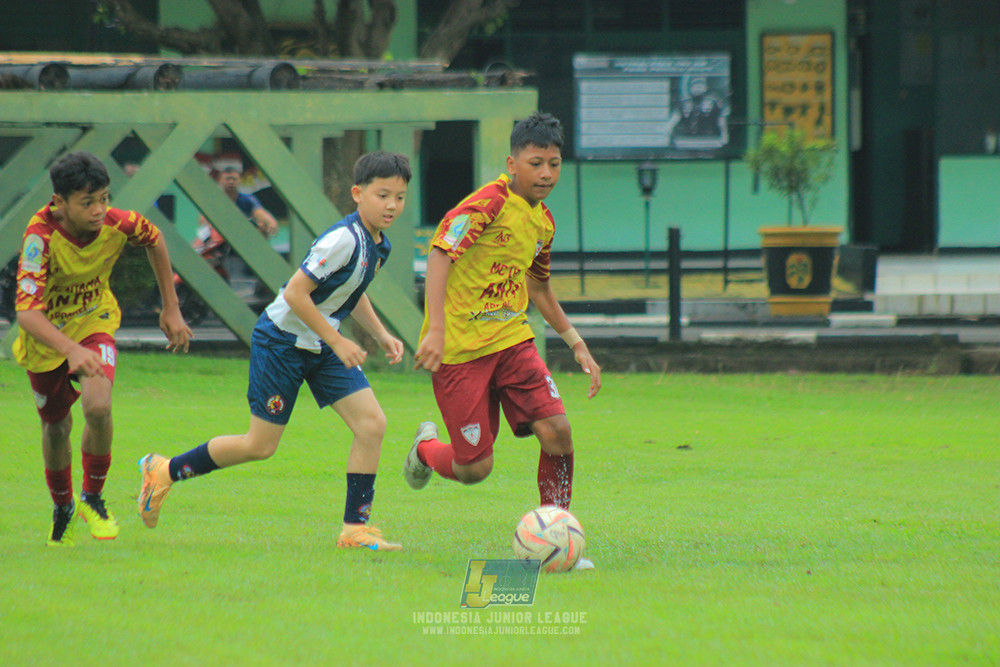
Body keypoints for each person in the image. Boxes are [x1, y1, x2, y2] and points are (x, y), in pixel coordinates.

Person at [137, 151, 410, 551]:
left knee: (372, 425)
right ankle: (163, 471)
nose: (391, 205)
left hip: (321, 342)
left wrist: (381, 334)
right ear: (357, 194)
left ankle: (355, 530)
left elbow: (351, 289)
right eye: (382, 195)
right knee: (259, 446)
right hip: (281, 341)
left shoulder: (378, 244)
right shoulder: (342, 239)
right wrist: (338, 340)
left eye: (399, 197)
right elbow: (297, 294)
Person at [408, 112, 601, 567]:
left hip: (513, 342)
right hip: (461, 352)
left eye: (554, 164)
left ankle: (557, 538)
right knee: (474, 468)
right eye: (536, 164)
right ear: (512, 164)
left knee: (558, 432)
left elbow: (539, 288)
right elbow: (439, 254)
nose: (546, 174)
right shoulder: (486, 205)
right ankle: (424, 450)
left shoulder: (543, 222)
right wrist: (435, 329)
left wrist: (576, 342)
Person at [13, 151, 192, 547]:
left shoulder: (117, 222)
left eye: (104, 199)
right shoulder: (40, 237)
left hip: (95, 322)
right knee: (56, 425)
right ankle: (63, 506)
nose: (99, 210)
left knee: (98, 406)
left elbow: (155, 239)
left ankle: (92, 497)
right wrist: (69, 350)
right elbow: (27, 315)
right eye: (87, 202)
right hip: (46, 339)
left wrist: (171, 307)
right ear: (59, 203)